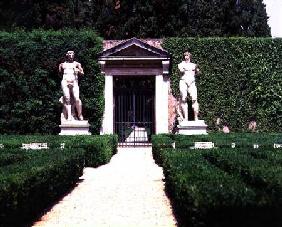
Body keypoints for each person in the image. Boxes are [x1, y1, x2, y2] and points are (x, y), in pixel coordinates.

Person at [59, 50, 84, 121]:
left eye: (72, 53)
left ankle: (79, 114)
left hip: (74, 82)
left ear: (74, 55)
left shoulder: (77, 64)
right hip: (65, 81)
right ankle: (69, 116)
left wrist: (78, 71)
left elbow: (82, 73)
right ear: (67, 55)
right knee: (67, 98)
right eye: (69, 53)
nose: (71, 55)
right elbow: (59, 73)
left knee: (77, 99)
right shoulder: (62, 65)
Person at [178, 51, 200, 121]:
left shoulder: (194, 65)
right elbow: (181, 71)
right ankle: (186, 118)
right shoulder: (181, 64)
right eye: (185, 56)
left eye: (187, 55)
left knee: (194, 99)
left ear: (190, 56)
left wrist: (197, 71)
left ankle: (196, 118)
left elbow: (198, 73)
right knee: (184, 99)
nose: (186, 57)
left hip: (192, 82)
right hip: (183, 81)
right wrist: (182, 70)